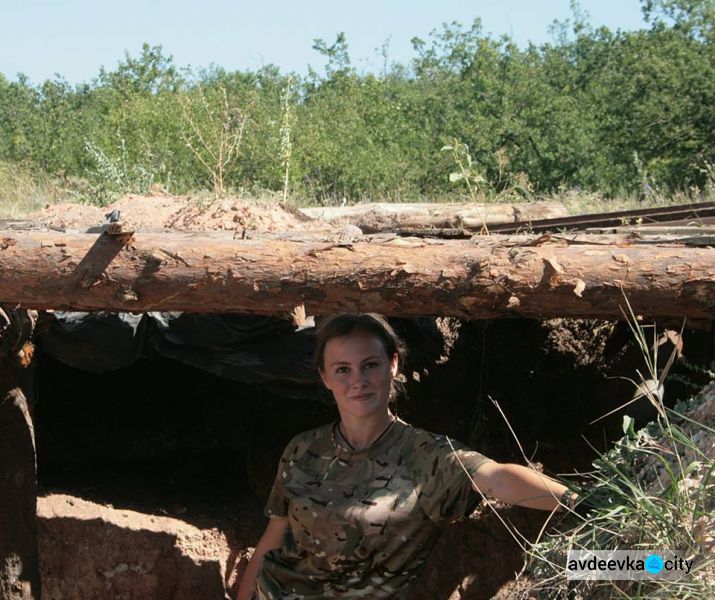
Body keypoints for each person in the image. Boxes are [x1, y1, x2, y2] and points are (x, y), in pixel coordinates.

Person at [237, 313, 576, 600]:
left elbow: (496, 477)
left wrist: (580, 502)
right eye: (342, 369)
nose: (358, 381)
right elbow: (273, 538)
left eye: (370, 365)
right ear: (325, 377)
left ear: (393, 364)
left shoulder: (426, 455)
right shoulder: (302, 448)